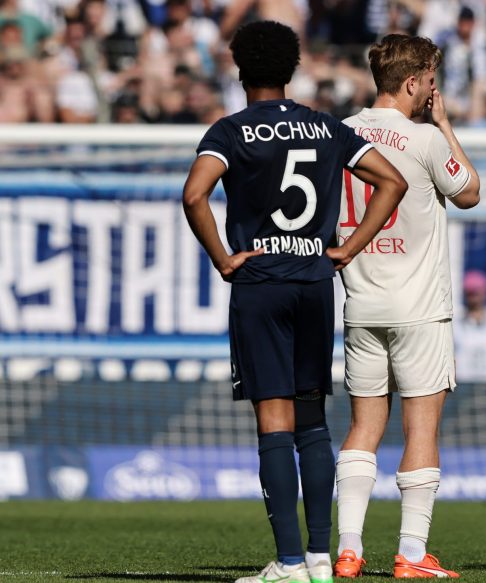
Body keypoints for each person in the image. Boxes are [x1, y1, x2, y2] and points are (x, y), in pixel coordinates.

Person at [181, 20, 407, 583]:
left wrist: (222, 255)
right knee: (312, 421)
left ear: (238, 70)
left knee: (274, 421)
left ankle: (286, 563)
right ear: (292, 68)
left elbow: (194, 195)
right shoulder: (326, 128)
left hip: (261, 285)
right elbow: (393, 182)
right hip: (313, 283)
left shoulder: (230, 132)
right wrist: (348, 247)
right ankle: (319, 559)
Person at [334, 33, 480, 579]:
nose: (432, 93)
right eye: (430, 83)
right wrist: (444, 124)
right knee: (422, 431)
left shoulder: (339, 132)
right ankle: (412, 556)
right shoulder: (423, 138)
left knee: (362, 427)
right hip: (419, 308)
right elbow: (469, 192)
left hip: (361, 302)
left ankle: (347, 549)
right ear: (414, 81)